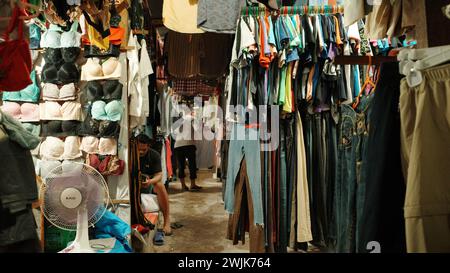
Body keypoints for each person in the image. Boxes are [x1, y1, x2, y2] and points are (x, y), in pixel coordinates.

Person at [136, 134, 172, 235]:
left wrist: (150, 182)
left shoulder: (154, 155)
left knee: (160, 185)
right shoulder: (131, 155)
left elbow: (159, 175)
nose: (141, 152)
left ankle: (167, 222)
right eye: (139, 149)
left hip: (149, 184)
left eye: (144, 149)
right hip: (134, 185)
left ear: (148, 146)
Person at [173, 114, 201, 191]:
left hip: (178, 145)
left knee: (181, 165)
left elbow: (174, 132)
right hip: (189, 144)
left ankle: (183, 186)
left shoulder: (178, 120)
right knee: (192, 165)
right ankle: (192, 184)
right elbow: (197, 129)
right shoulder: (192, 118)